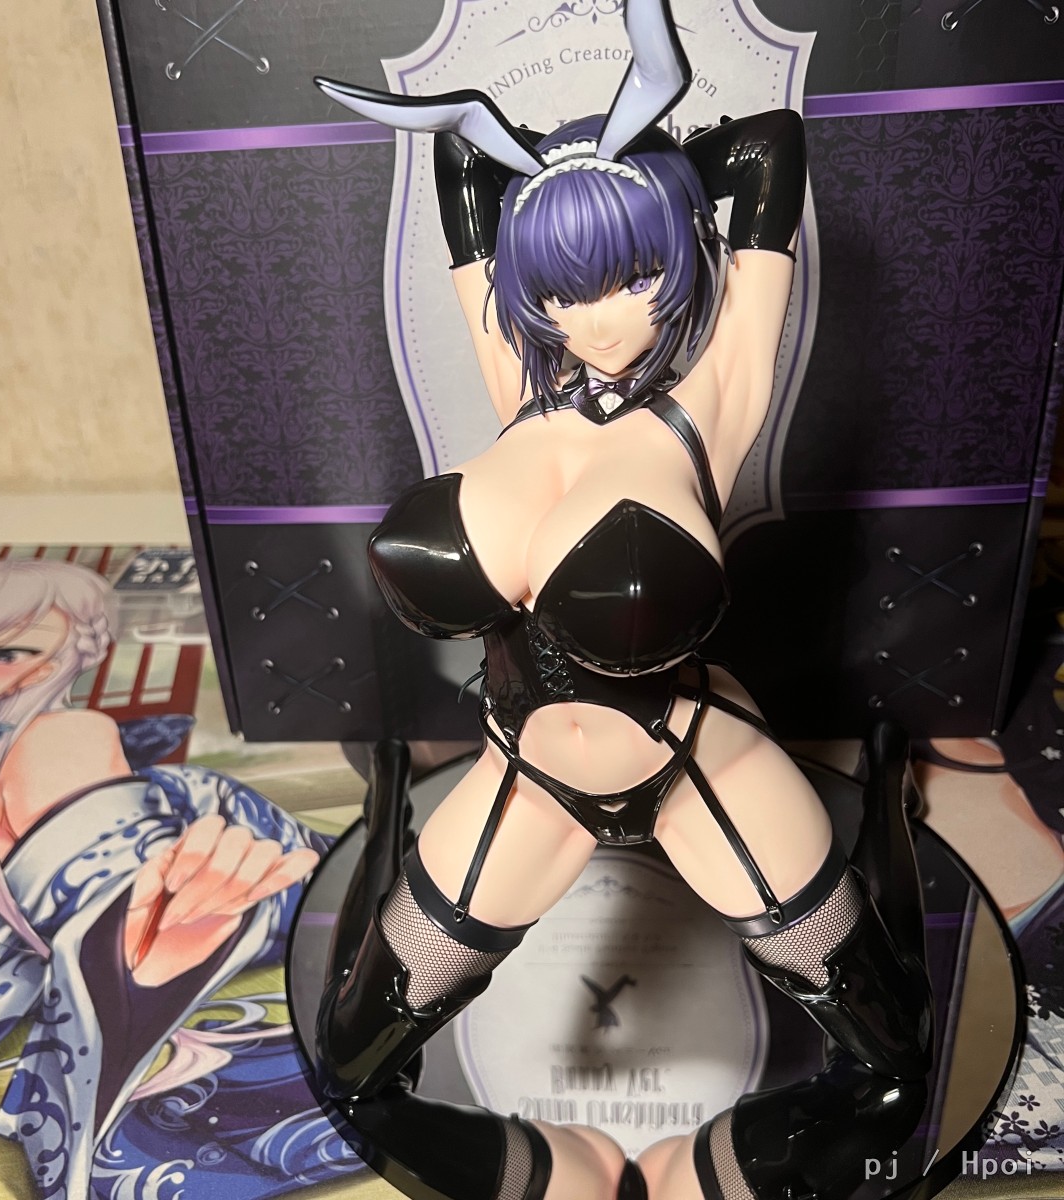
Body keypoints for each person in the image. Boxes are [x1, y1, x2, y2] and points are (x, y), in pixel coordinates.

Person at [310, 2, 932, 1196]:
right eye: (558, 290)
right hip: (525, 778)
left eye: (636, 274)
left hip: (698, 767)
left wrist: (631, 164)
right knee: (354, 1072)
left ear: (685, 254)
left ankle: (885, 824)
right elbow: (457, 162)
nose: (594, 319)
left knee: (892, 1075)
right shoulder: (519, 382)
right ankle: (556, 1170)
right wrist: (541, 168)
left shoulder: (712, 400)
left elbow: (769, 146)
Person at [0, 559, 330, 1200]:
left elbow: (121, 912)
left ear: (40, 670)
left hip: (218, 853)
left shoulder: (49, 749)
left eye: (0, 653)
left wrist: (135, 957)